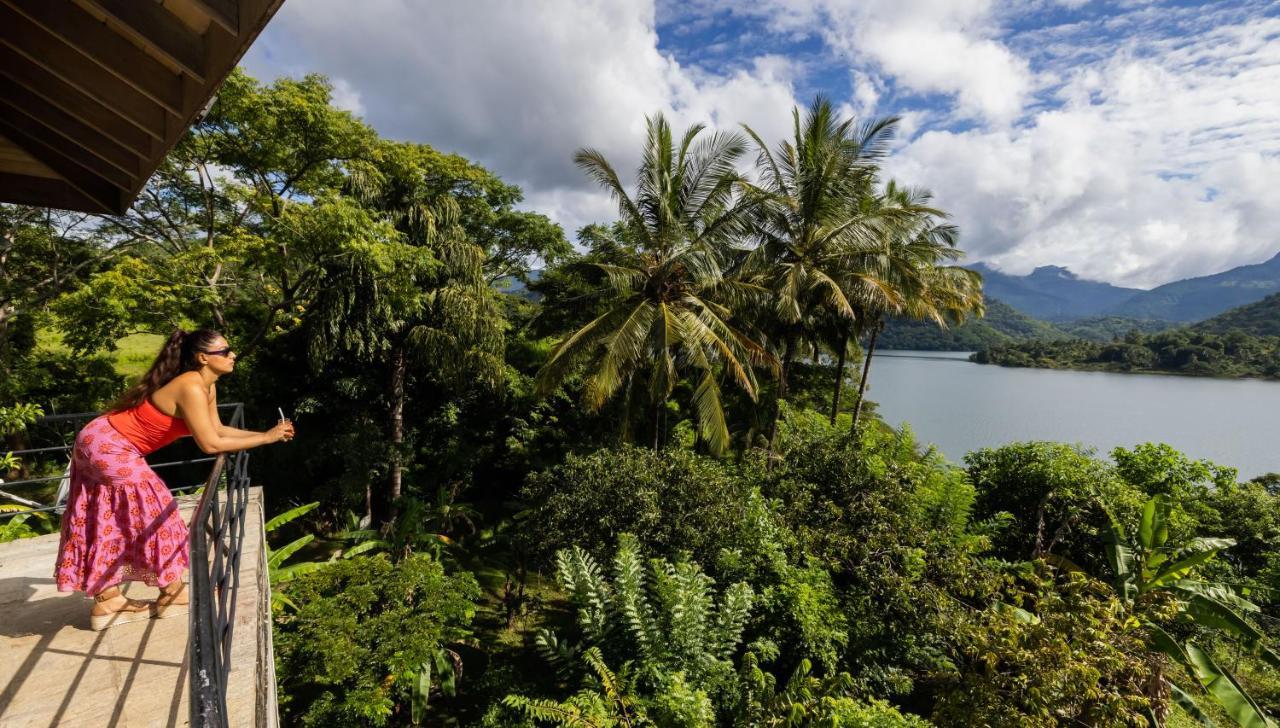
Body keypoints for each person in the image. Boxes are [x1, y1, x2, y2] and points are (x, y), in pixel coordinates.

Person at [53, 329, 295, 630]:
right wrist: (265, 439)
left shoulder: (207, 385)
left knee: (109, 517)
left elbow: (217, 430)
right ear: (203, 357)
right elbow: (209, 445)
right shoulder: (191, 385)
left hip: (100, 440)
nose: (232, 356)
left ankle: (109, 599)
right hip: (109, 446)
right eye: (225, 351)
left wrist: (266, 435)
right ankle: (171, 592)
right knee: (158, 513)